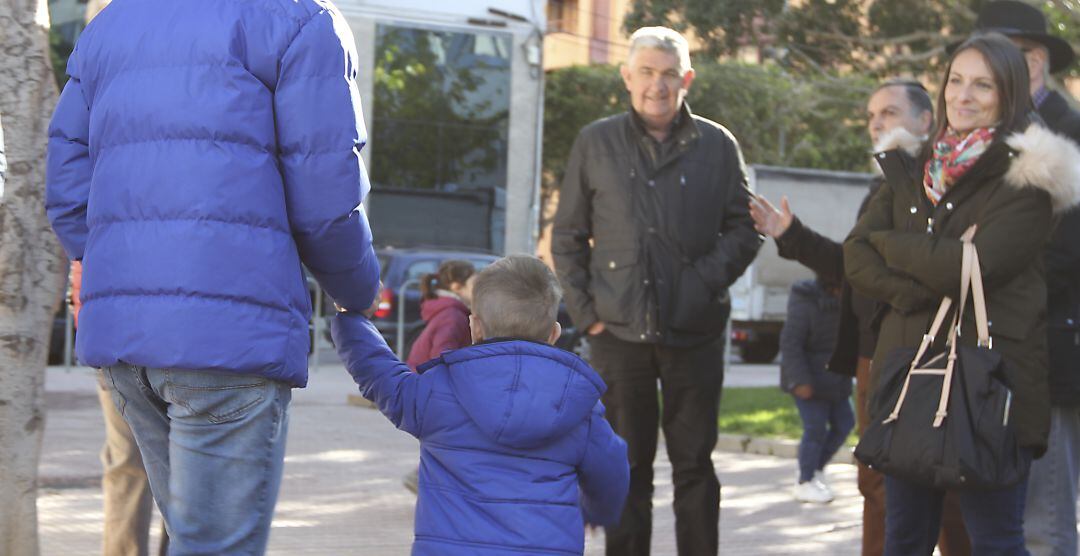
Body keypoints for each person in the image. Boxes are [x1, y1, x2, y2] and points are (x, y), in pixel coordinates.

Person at [44, 0, 381, 553]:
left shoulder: (112, 25)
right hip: (230, 340)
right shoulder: (302, 19)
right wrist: (357, 290)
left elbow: (65, 191)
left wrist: (131, 270)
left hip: (129, 342)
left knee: (191, 538)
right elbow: (326, 196)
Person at [844, 33, 1080, 554]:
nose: (963, 95)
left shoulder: (1028, 177)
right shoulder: (909, 165)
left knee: (993, 539)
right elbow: (856, 255)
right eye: (956, 80)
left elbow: (975, 267)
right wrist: (914, 284)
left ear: (1010, 93)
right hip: (908, 373)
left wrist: (891, 243)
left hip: (990, 384)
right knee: (903, 536)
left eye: (983, 85)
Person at [552, 25, 761, 555]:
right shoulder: (595, 142)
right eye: (646, 72)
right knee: (625, 470)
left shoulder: (717, 144)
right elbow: (568, 236)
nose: (657, 85)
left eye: (669, 74)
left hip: (695, 333)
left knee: (695, 466)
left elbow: (745, 227)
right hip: (617, 335)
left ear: (686, 78)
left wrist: (700, 284)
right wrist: (588, 315)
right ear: (627, 77)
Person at [750, 80, 970, 555]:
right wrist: (790, 234)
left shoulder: (929, 178)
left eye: (889, 112)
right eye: (872, 115)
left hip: (917, 352)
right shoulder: (885, 182)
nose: (877, 123)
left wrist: (796, 238)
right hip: (877, 354)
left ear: (926, 121)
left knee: (931, 482)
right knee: (877, 481)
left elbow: (881, 268)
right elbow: (855, 267)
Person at [331, 255, 630, 555]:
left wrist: (351, 320)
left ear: (475, 327)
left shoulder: (438, 390)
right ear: (553, 333)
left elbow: (381, 375)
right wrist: (597, 511)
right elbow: (613, 469)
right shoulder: (577, 405)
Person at [959, 3, 1080, 553]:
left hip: (1051, 343)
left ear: (1032, 62)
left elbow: (1062, 254)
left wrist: (988, 282)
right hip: (1001, 347)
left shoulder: (1067, 134)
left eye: (995, 64)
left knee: (1046, 515)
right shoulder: (997, 137)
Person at [71, 261, 168, 556]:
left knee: (128, 464)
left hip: (112, 327)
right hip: (165, 331)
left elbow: (70, 222)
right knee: (190, 465)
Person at [401, 259, 475, 493]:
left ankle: (427, 478)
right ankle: (421, 477)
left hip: (425, 384)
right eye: (475, 283)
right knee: (456, 437)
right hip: (433, 386)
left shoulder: (448, 310)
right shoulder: (453, 315)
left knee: (449, 439)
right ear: (456, 286)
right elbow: (442, 353)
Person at [780, 275, 855, 504]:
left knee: (845, 424)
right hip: (808, 379)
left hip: (836, 379)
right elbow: (791, 343)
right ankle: (804, 480)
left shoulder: (847, 302)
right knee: (815, 428)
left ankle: (816, 469)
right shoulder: (805, 300)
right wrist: (799, 381)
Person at [405, 260, 476, 370]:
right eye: (474, 284)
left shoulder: (450, 312)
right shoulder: (452, 317)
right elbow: (441, 358)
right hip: (427, 383)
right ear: (456, 287)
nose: (477, 290)